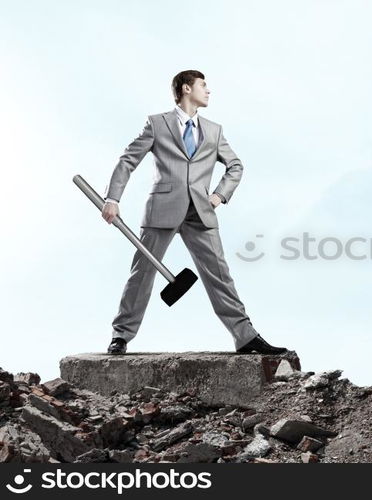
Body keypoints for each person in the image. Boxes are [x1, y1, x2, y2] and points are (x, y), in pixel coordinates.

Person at [101, 70, 287, 356]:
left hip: (200, 212)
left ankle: (246, 337)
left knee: (220, 276)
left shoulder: (214, 130)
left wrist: (219, 195)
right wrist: (112, 198)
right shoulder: (157, 123)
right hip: (162, 210)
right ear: (187, 89)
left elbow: (235, 165)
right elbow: (128, 161)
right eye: (204, 85)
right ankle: (121, 335)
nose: (209, 90)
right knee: (141, 274)